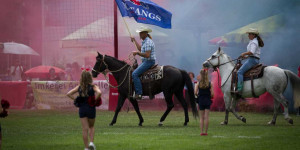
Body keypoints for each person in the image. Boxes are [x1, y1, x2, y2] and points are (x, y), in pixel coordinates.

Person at [67, 70, 101, 150]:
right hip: (91, 108)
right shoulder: (93, 86)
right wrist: (95, 100)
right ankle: (91, 142)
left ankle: (86, 148)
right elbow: (99, 93)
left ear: (82, 78)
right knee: (91, 126)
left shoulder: (79, 87)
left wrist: (76, 99)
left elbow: (68, 94)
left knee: (84, 129)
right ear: (90, 78)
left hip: (82, 109)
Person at [130, 26, 156, 100]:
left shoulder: (148, 42)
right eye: (139, 33)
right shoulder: (145, 41)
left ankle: (139, 93)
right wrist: (134, 41)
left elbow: (147, 55)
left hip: (148, 61)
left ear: (145, 33)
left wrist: (137, 53)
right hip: (146, 61)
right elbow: (140, 49)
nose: (140, 34)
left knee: (134, 74)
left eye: (141, 33)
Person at [236, 28, 264, 94]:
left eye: (249, 34)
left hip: (252, 60)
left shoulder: (254, 42)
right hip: (253, 59)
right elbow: (252, 54)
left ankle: (239, 89)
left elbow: (252, 52)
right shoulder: (253, 41)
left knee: (239, 72)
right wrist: (245, 57)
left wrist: (244, 53)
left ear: (253, 35)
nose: (248, 35)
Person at [194, 69, 214, 136]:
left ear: (201, 75)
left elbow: (195, 93)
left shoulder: (198, 83)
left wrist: (199, 95)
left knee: (201, 117)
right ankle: (206, 132)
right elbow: (212, 94)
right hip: (207, 100)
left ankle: (201, 132)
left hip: (201, 101)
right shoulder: (210, 83)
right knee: (207, 117)